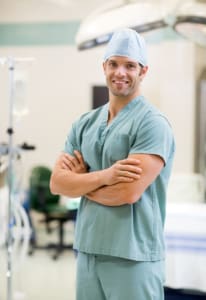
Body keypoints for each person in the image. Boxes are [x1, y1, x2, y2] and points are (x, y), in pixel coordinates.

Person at [50, 28, 175, 300]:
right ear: (104, 67)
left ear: (143, 71)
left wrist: (81, 183)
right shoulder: (84, 124)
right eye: (114, 64)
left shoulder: (152, 124)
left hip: (133, 256)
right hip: (88, 252)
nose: (121, 72)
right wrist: (107, 175)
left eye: (130, 65)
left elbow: (127, 192)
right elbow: (57, 183)